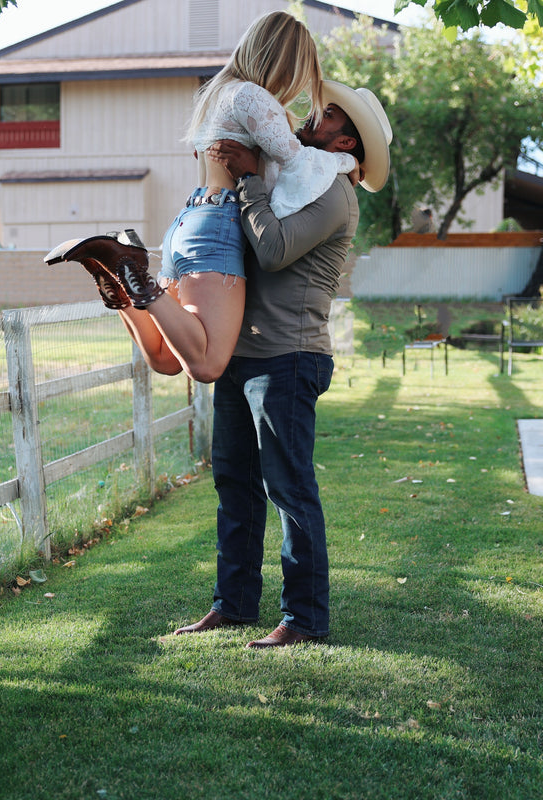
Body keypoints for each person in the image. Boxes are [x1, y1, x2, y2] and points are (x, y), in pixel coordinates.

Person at [173, 80, 392, 647]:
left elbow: (271, 249)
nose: (311, 116)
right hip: (241, 355)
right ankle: (234, 604)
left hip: (289, 359)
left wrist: (246, 178)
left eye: (328, 116)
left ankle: (304, 620)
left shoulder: (335, 195)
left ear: (346, 143)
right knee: (234, 485)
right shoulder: (293, 181)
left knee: (288, 490)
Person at [45, 11, 356, 384]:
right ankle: (132, 270)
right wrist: (345, 159)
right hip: (219, 226)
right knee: (206, 366)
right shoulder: (253, 97)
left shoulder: (215, 97)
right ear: (288, 64)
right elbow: (298, 165)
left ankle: (120, 277)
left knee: (164, 358)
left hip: (189, 221)